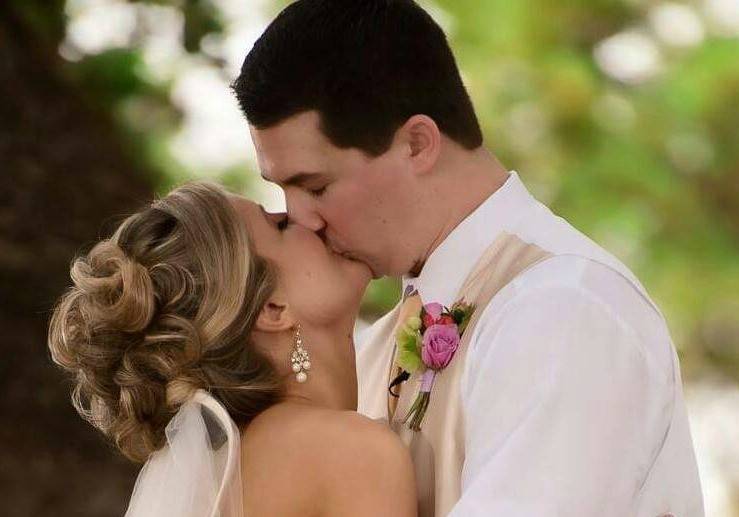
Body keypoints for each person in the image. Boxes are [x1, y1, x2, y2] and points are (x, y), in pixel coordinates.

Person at [231, 0, 705, 515]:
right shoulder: (371, 350)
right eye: (283, 192)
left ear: (416, 144)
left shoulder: (563, 310)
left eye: (316, 186)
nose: (302, 220)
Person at [47, 181, 418, 516]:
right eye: (281, 226)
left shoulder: (242, 467)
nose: (311, 219)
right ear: (273, 309)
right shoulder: (348, 450)